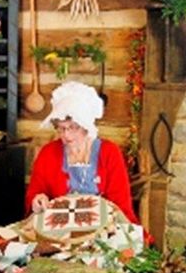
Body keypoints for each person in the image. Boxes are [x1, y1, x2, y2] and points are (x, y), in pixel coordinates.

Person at [25, 81, 139, 224]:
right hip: (59, 225)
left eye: (73, 128)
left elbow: (121, 203)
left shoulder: (109, 152)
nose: (66, 135)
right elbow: (34, 194)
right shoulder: (48, 153)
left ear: (86, 126)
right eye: (61, 128)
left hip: (103, 225)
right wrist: (38, 200)